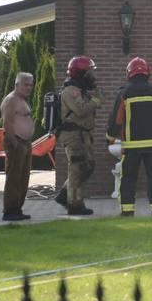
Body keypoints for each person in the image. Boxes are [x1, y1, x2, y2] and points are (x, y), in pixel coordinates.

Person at [107, 57, 152, 217]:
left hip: (132, 148)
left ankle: (127, 211)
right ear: (147, 73)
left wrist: (109, 138)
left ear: (129, 73)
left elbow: (116, 120)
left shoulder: (124, 94)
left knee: (129, 178)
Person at [55, 55, 100, 216]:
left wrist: (94, 96)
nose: (92, 76)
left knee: (88, 166)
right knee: (77, 168)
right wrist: (95, 101)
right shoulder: (70, 90)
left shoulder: (81, 90)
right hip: (73, 135)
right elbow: (81, 110)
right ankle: (75, 205)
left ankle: (64, 195)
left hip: (83, 135)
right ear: (80, 73)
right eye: (88, 73)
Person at [0, 72, 35, 221]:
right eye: (25, 84)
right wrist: (15, 144)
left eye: (31, 85)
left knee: (23, 178)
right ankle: (10, 210)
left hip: (24, 143)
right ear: (17, 84)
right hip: (16, 143)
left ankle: (17, 209)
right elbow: (7, 123)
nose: (29, 88)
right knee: (14, 178)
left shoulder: (22, 100)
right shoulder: (12, 100)